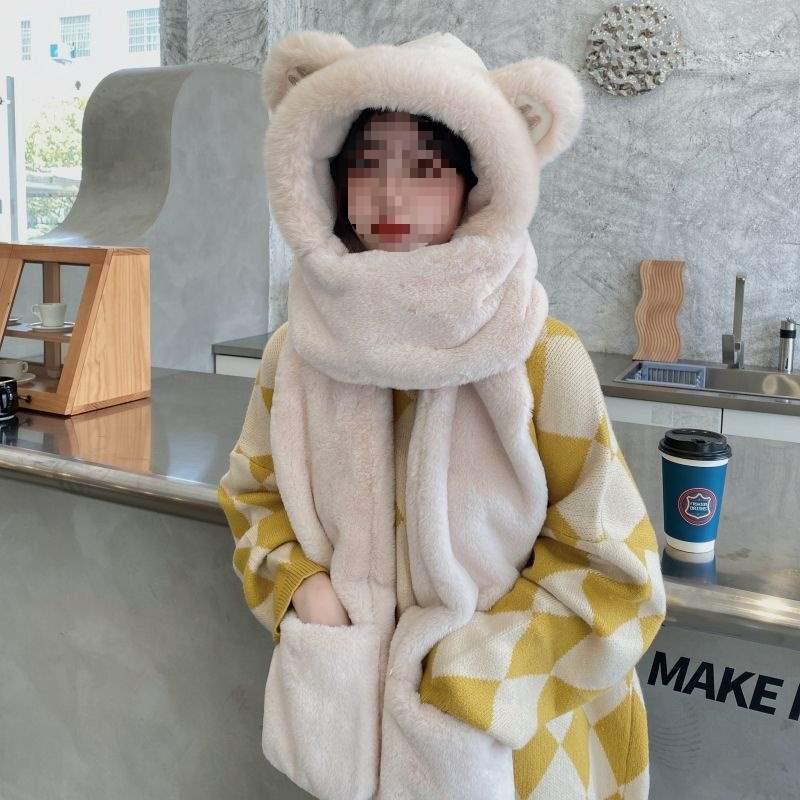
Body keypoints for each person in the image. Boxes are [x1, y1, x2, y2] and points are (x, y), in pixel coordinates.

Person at [218, 30, 667, 800]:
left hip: (520, 746)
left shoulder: (538, 354)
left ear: (476, 185)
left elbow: (616, 571)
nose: (389, 198)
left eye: (424, 171)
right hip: (354, 738)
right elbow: (253, 497)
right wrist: (304, 593)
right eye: (367, 167)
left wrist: (471, 679)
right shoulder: (297, 353)